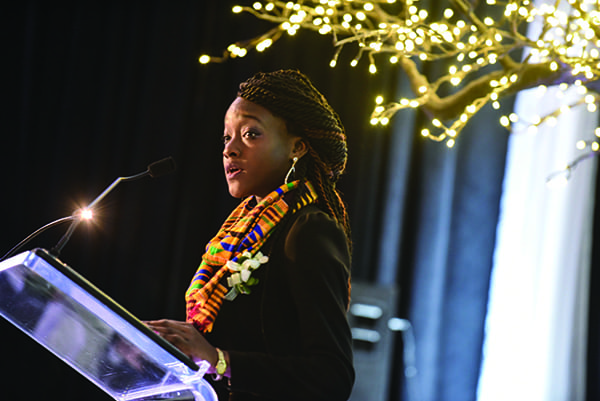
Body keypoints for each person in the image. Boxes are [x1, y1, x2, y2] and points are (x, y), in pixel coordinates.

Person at [146, 69, 354, 401]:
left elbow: (332, 377)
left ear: (297, 147)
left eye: (251, 134)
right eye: (226, 137)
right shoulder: (238, 229)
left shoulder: (308, 230)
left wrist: (220, 360)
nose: (230, 149)